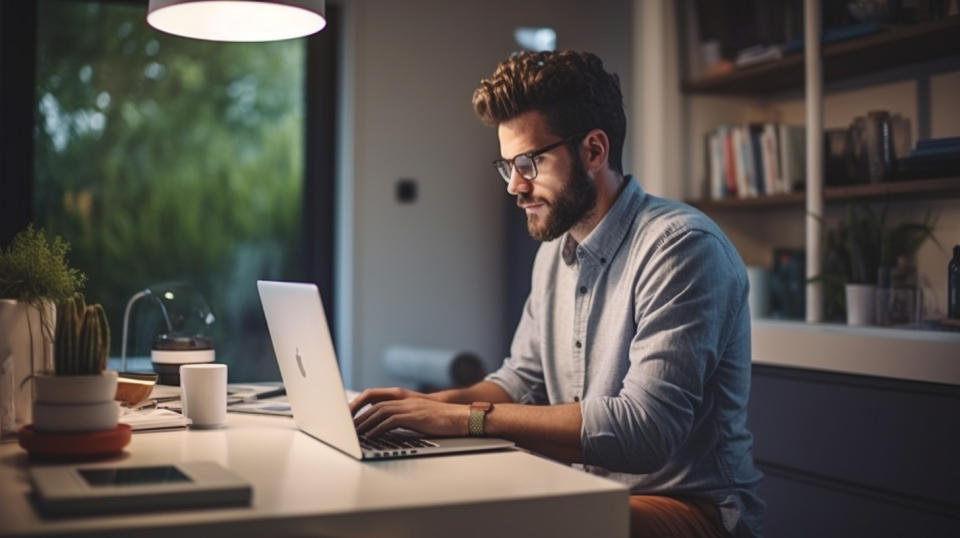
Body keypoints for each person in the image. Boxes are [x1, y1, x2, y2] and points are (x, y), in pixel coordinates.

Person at [349, 50, 764, 538]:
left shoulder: (681, 249)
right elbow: (521, 380)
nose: (515, 187)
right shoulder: (556, 250)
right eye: (507, 167)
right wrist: (424, 409)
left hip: (686, 508)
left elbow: (643, 432)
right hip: (586, 491)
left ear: (593, 150)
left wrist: (465, 420)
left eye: (528, 162)